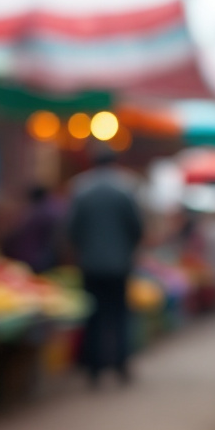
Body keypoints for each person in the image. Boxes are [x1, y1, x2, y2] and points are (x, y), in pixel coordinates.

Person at [65, 144, 144, 385]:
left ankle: (94, 368)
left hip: (90, 263)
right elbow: (136, 226)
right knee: (119, 314)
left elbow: (72, 229)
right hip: (119, 263)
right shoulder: (126, 187)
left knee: (94, 315)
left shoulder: (80, 187)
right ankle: (120, 363)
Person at [2, 185, 61, 273]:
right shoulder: (52, 210)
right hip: (43, 257)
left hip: (31, 257)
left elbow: (18, 233)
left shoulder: (34, 213)